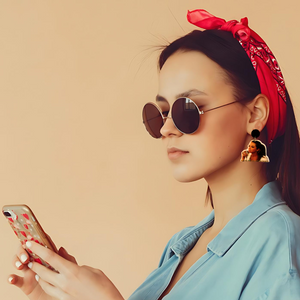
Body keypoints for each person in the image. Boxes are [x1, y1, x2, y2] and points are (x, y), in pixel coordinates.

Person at [7, 8, 300, 300]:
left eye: (188, 109)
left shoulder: (280, 241)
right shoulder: (180, 247)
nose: (166, 129)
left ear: (255, 114)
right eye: (159, 114)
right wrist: (47, 293)